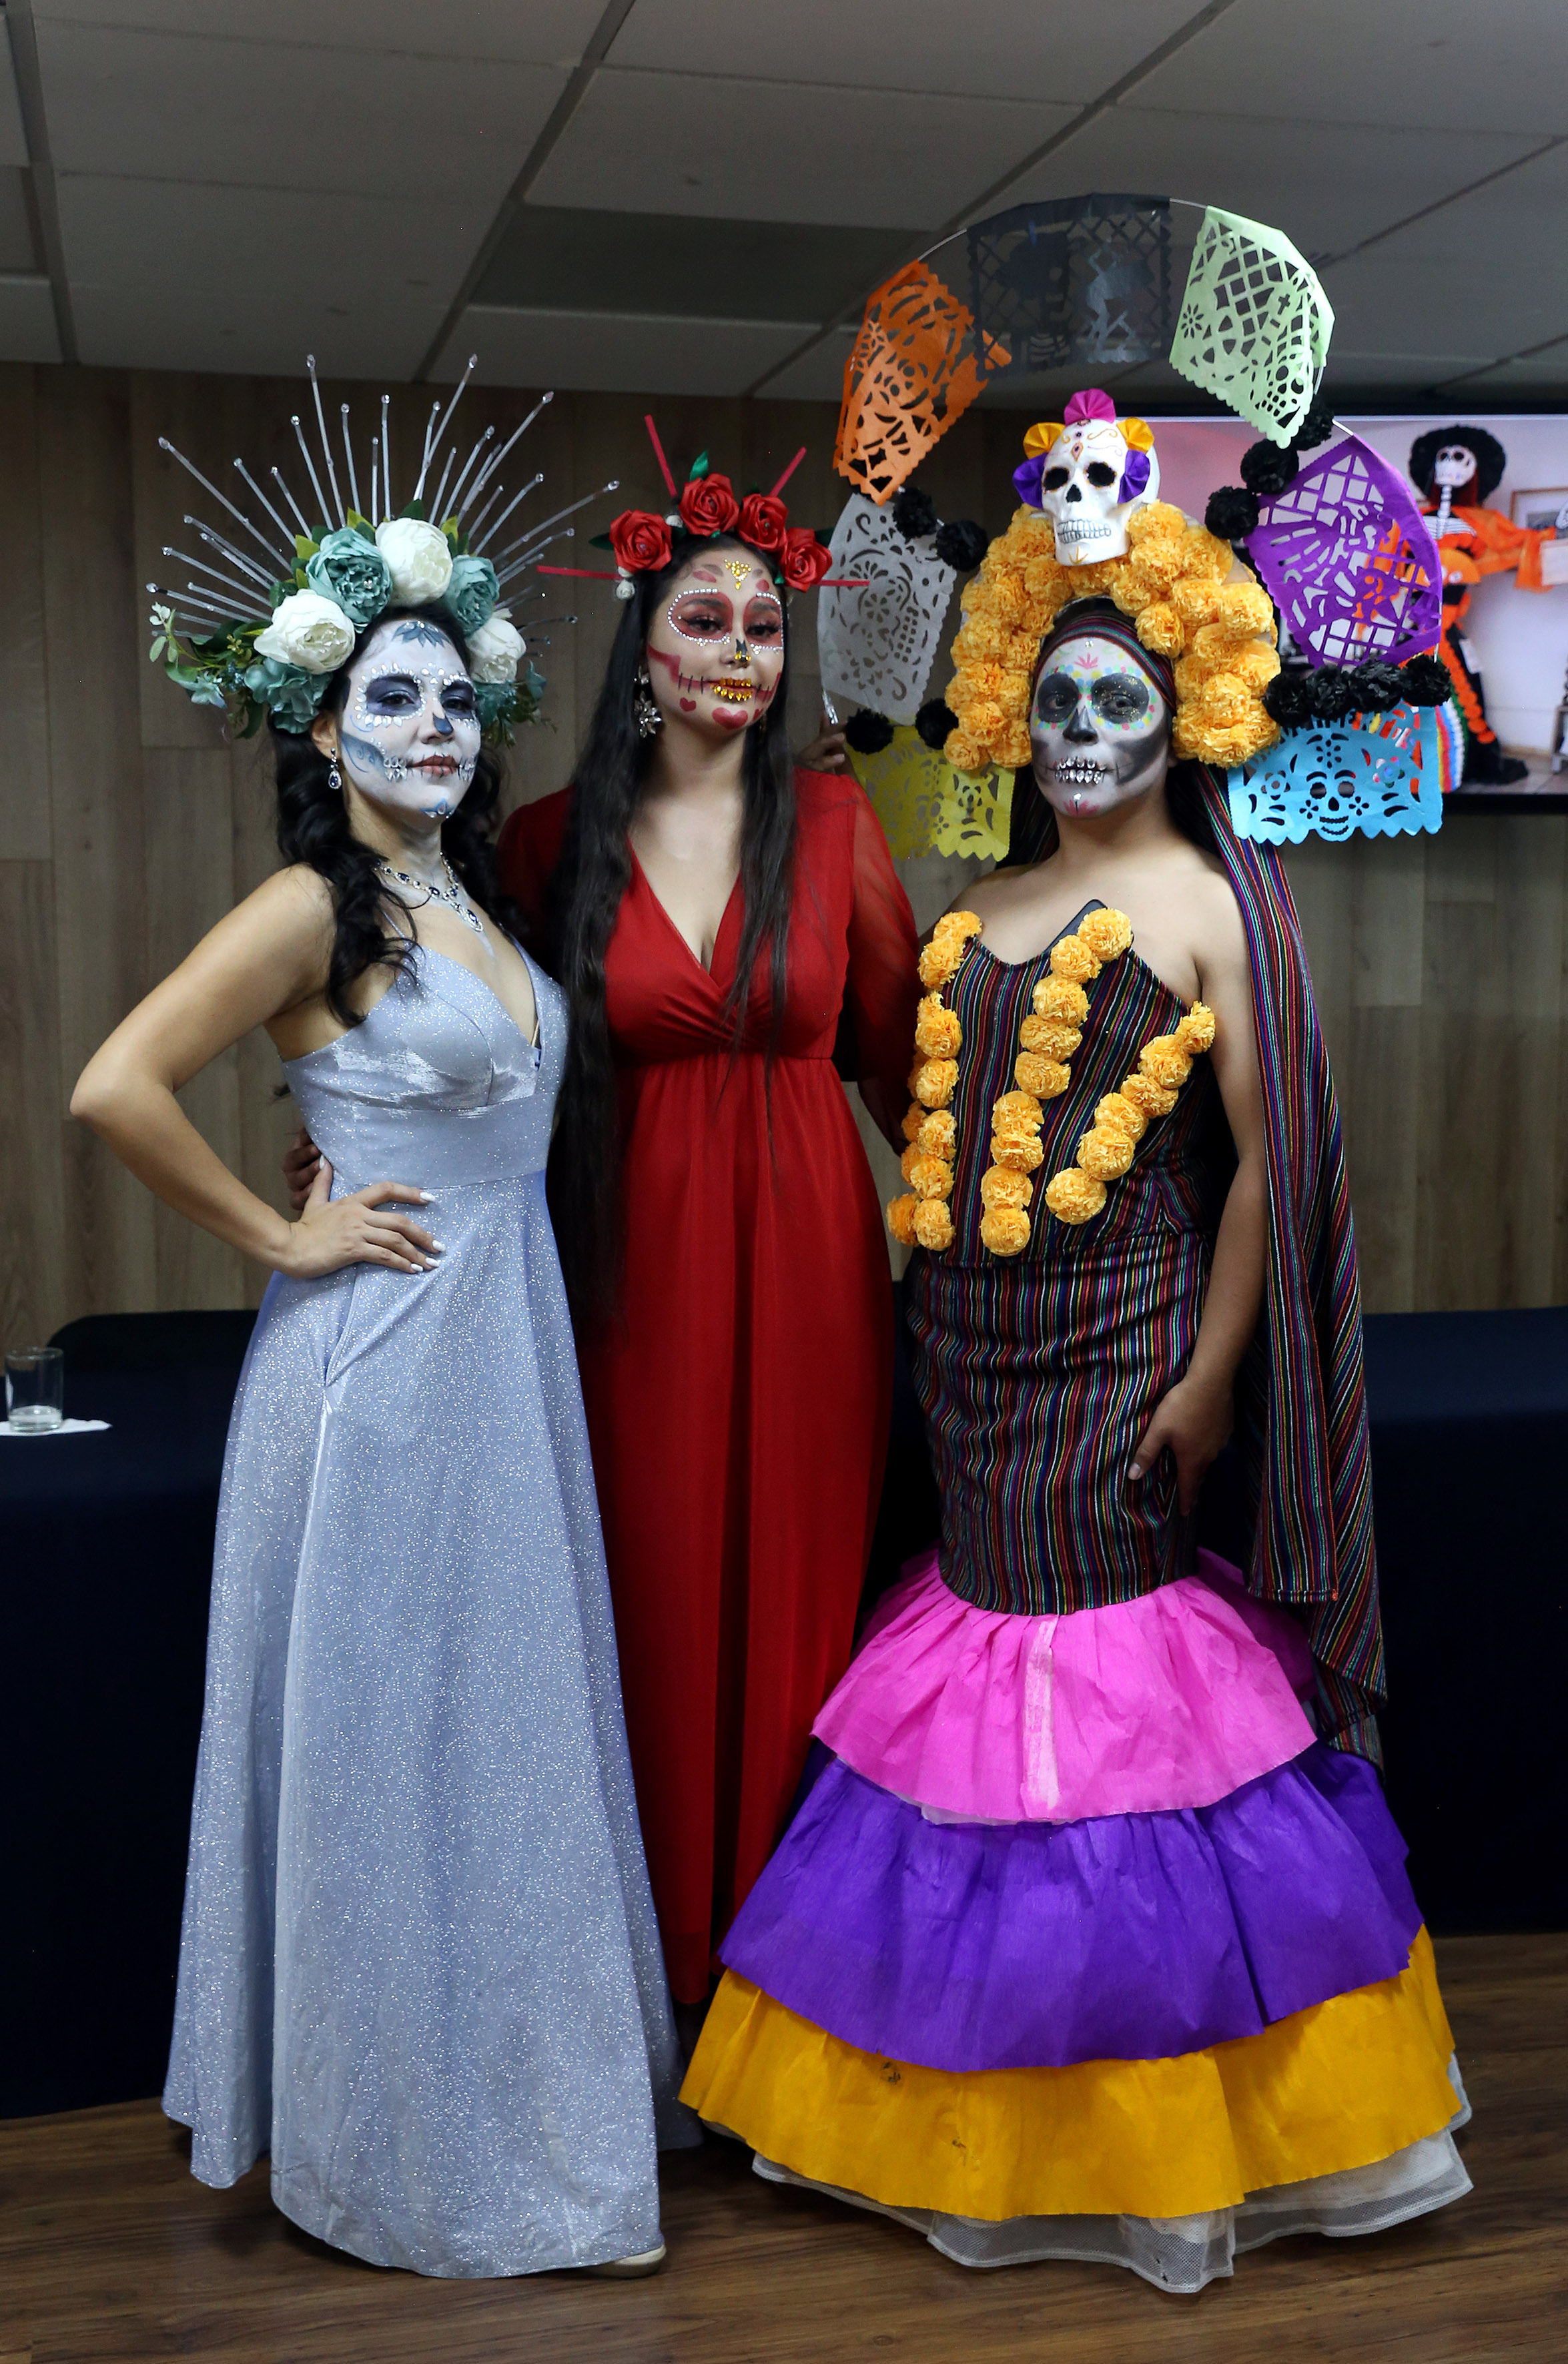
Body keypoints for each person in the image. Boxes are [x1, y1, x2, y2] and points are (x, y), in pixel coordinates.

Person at [681, 593, 1470, 2293]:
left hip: (1129, 1345)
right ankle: (983, 2110)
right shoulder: (978, 906)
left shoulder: (1213, 903)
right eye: (1056, 701)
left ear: (1178, 723)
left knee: (1114, 1697)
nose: (1085, 731)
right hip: (966, 1355)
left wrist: (1210, 1374)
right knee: (978, 1683)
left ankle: (1147, 2125)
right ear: (1009, 718)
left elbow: (1264, 1168)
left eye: (1119, 701)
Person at [74, 568, 691, 2275]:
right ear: (324, 726)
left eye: (453, 698)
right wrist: (283, 1233)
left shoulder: (467, 898)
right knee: (382, 1750)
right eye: (391, 697)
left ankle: (515, 2102)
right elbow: (114, 1082)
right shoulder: (306, 903)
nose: (431, 726)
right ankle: (387, 2139)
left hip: (504, 1356)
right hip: (378, 1369)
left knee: (494, 1740)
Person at [491, 453, 920, 2023]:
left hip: (813, 1277)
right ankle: (649, 1982)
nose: (738, 648)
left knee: (803, 1607)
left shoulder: (834, 819)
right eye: (703, 618)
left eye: (760, 626)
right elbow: (499, 1065)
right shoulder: (546, 840)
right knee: (649, 1599)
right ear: (643, 643)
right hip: (628, 1270)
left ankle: (785, 1996)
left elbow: (903, 1070)